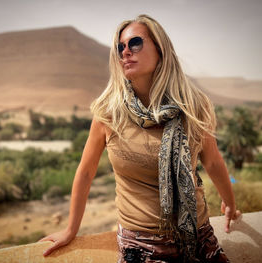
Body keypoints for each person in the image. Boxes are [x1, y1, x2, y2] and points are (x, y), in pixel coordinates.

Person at [39, 14, 241, 262]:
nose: (125, 52)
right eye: (120, 47)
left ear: (160, 48)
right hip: (141, 245)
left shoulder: (194, 106)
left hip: (198, 237)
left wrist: (229, 204)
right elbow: (86, 172)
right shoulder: (109, 112)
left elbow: (213, 162)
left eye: (135, 43)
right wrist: (71, 230)